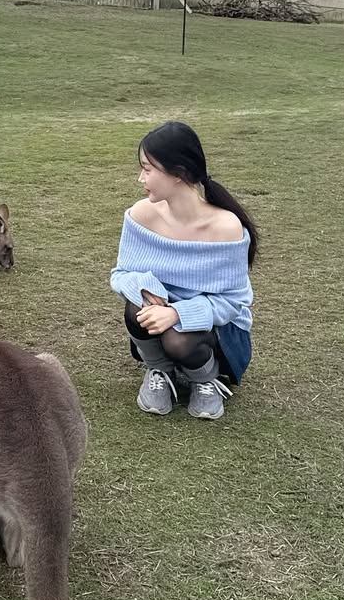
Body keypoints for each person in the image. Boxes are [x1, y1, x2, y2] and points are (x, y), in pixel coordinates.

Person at [109, 121, 257, 421]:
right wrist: (148, 289)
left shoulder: (226, 228)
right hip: (160, 318)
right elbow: (121, 273)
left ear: (178, 173)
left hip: (218, 333)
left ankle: (206, 379)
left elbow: (234, 303)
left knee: (179, 338)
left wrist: (178, 314)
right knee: (135, 306)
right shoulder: (140, 215)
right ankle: (159, 371)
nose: (141, 177)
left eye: (148, 169)